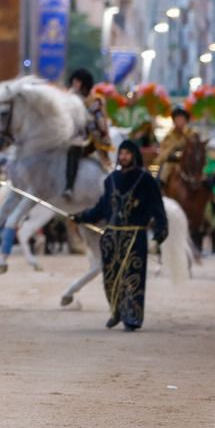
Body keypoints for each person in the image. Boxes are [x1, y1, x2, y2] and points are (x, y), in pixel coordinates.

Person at [74, 139, 169, 331]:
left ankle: (132, 316)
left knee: (132, 277)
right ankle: (115, 311)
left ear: (134, 155)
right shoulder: (111, 180)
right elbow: (101, 208)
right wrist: (81, 217)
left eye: (127, 153)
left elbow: (158, 211)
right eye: (121, 153)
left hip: (134, 236)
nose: (124, 157)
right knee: (110, 278)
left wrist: (158, 237)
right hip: (111, 236)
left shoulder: (146, 180)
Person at [63, 68, 111, 199]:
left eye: (77, 82)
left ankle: (69, 187)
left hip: (91, 139)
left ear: (84, 83)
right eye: (73, 81)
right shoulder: (69, 98)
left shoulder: (96, 100)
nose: (74, 84)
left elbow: (99, 123)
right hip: (71, 136)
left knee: (74, 149)